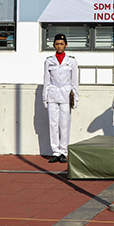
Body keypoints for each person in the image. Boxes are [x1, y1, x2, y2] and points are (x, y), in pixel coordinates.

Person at [43, 33, 79, 163]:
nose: (59, 46)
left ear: (66, 45)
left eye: (61, 44)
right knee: (53, 124)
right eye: (57, 44)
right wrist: (45, 98)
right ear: (53, 45)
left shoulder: (71, 61)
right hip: (52, 94)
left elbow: (75, 81)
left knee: (64, 124)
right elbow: (46, 81)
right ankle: (55, 151)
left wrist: (75, 98)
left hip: (65, 94)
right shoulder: (49, 61)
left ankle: (63, 151)